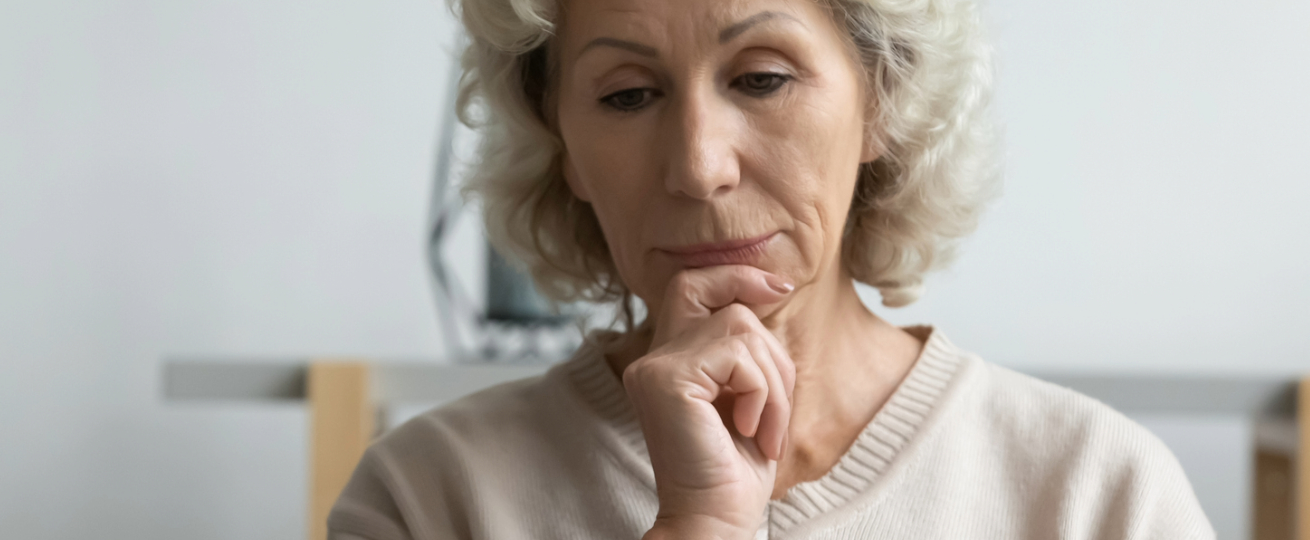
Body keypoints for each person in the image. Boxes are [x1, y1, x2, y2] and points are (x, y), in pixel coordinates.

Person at [332, 0, 1216, 537]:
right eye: (628, 95)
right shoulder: (430, 498)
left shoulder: (1095, 491)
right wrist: (697, 526)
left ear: (883, 102)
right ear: (563, 147)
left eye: (761, 79)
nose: (698, 166)